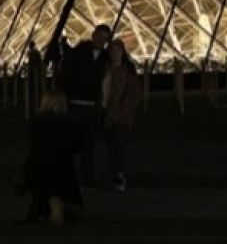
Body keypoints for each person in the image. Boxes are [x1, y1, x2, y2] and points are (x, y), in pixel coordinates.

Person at [20, 89, 83, 225]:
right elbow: (78, 146)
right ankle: (56, 206)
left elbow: (36, 147)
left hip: (40, 167)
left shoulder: (38, 123)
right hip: (64, 168)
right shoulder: (70, 123)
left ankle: (44, 210)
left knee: (41, 188)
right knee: (59, 186)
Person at [59, 24, 111, 187]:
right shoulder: (78, 52)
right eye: (99, 36)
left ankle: (86, 178)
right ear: (93, 35)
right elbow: (65, 75)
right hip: (75, 104)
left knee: (88, 144)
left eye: (104, 38)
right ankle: (69, 176)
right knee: (71, 143)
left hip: (91, 107)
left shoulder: (106, 58)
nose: (100, 40)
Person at [101, 39, 142, 192]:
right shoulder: (104, 69)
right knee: (111, 146)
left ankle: (120, 174)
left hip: (120, 116)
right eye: (112, 50)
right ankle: (116, 175)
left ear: (122, 52)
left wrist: (122, 112)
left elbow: (133, 94)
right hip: (106, 114)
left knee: (117, 144)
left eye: (117, 50)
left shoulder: (127, 71)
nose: (115, 53)